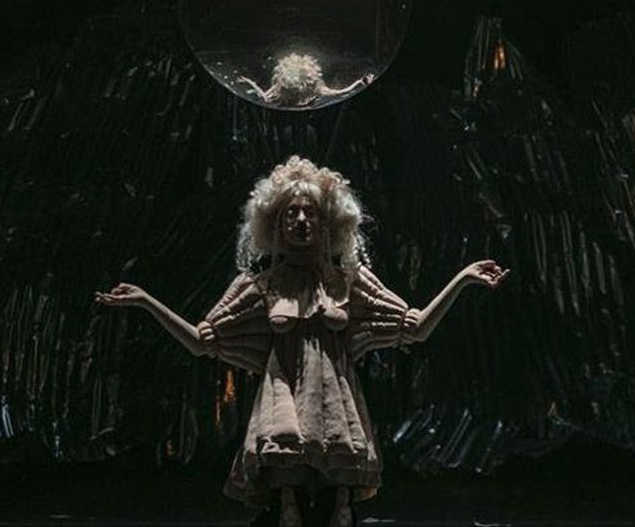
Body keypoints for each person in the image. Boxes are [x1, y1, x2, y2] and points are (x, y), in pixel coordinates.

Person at [96, 156, 507, 527]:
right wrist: (146, 302)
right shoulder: (260, 285)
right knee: (286, 495)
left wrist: (463, 279)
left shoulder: (349, 280)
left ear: (328, 224)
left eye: (311, 212)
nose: (301, 220)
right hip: (282, 400)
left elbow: (415, 327)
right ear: (274, 225)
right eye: (290, 213)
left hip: (337, 405)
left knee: (338, 507)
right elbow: (202, 341)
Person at [236, 53, 374, 107]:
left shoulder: (316, 87)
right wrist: (250, 82)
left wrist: (359, 82)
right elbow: (339, 92)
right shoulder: (280, 85)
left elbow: (339, 92)